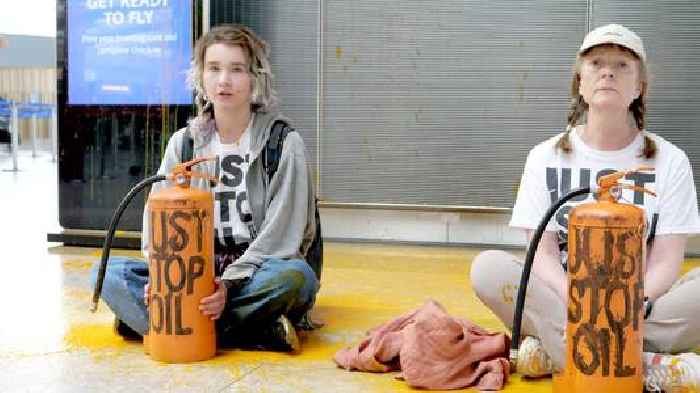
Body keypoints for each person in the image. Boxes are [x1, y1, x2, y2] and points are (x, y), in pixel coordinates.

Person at [469, 24, 700, 391]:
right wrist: (580, 300)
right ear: (580, 82)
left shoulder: (671, 161)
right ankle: (645, 366)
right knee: (488, 268)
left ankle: (559, 352)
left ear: (639, 86)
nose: (607, 71)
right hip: (567, 303)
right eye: (595, 63)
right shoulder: (544, 157)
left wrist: (629, 302)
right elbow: (540, 256)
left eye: (622, 64)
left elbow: (665, 262)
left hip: (638, 308)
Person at [92, 24, 319, 352]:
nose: (224, 80)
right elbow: (157, 224)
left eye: (236, 69)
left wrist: (226, 285)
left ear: (255, 77)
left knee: (296, 278)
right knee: (106, 273)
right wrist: (162, 277)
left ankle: (166, 322)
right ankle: (252, 329)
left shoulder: (283, 143)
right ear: (200, 77)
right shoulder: (183, 144)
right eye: (214, 68)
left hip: (257, 269)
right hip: (192, 268)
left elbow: (283, 237)